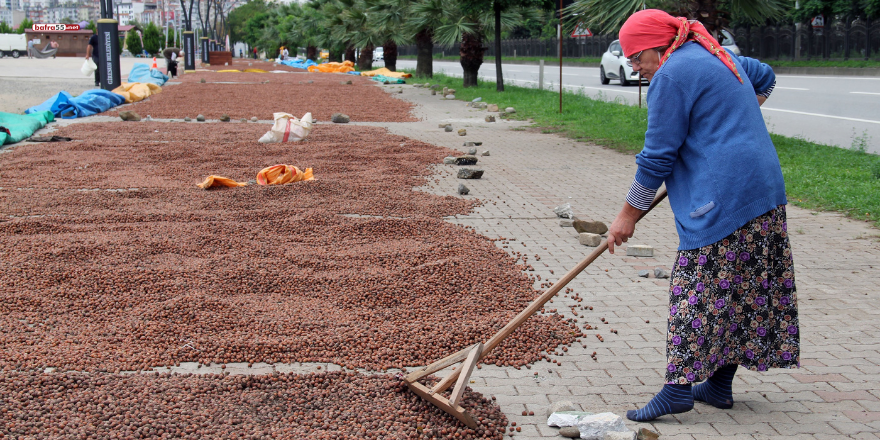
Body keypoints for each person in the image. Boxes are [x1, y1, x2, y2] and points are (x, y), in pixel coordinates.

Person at [605, 9, 798, 422]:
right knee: (743, 288)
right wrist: (732, 121)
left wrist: (627, 217)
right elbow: (764, 75)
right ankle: (718, 384)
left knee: (696, 291)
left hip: (725, 194)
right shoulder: (713, 53)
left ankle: (677, 390)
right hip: (763, 186)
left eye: (637, 57)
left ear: (660, 46)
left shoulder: (672, 75)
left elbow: (657, 157)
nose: (633, 66)